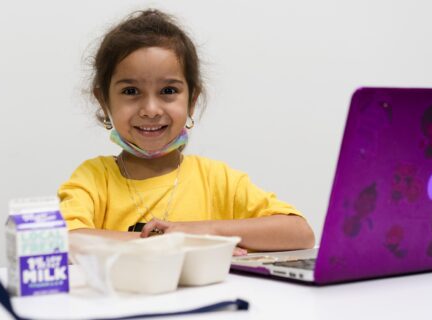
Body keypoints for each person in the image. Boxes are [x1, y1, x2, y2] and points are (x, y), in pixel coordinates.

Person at [58, 9, 315, 255]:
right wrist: (175, 244)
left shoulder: (218, 180)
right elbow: (66, 241)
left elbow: (300, 233)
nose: (150, 109)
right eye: (130, 91)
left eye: (168, 91)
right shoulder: (92, 179)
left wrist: (208, 231)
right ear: (104, 101)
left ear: (192, 100)